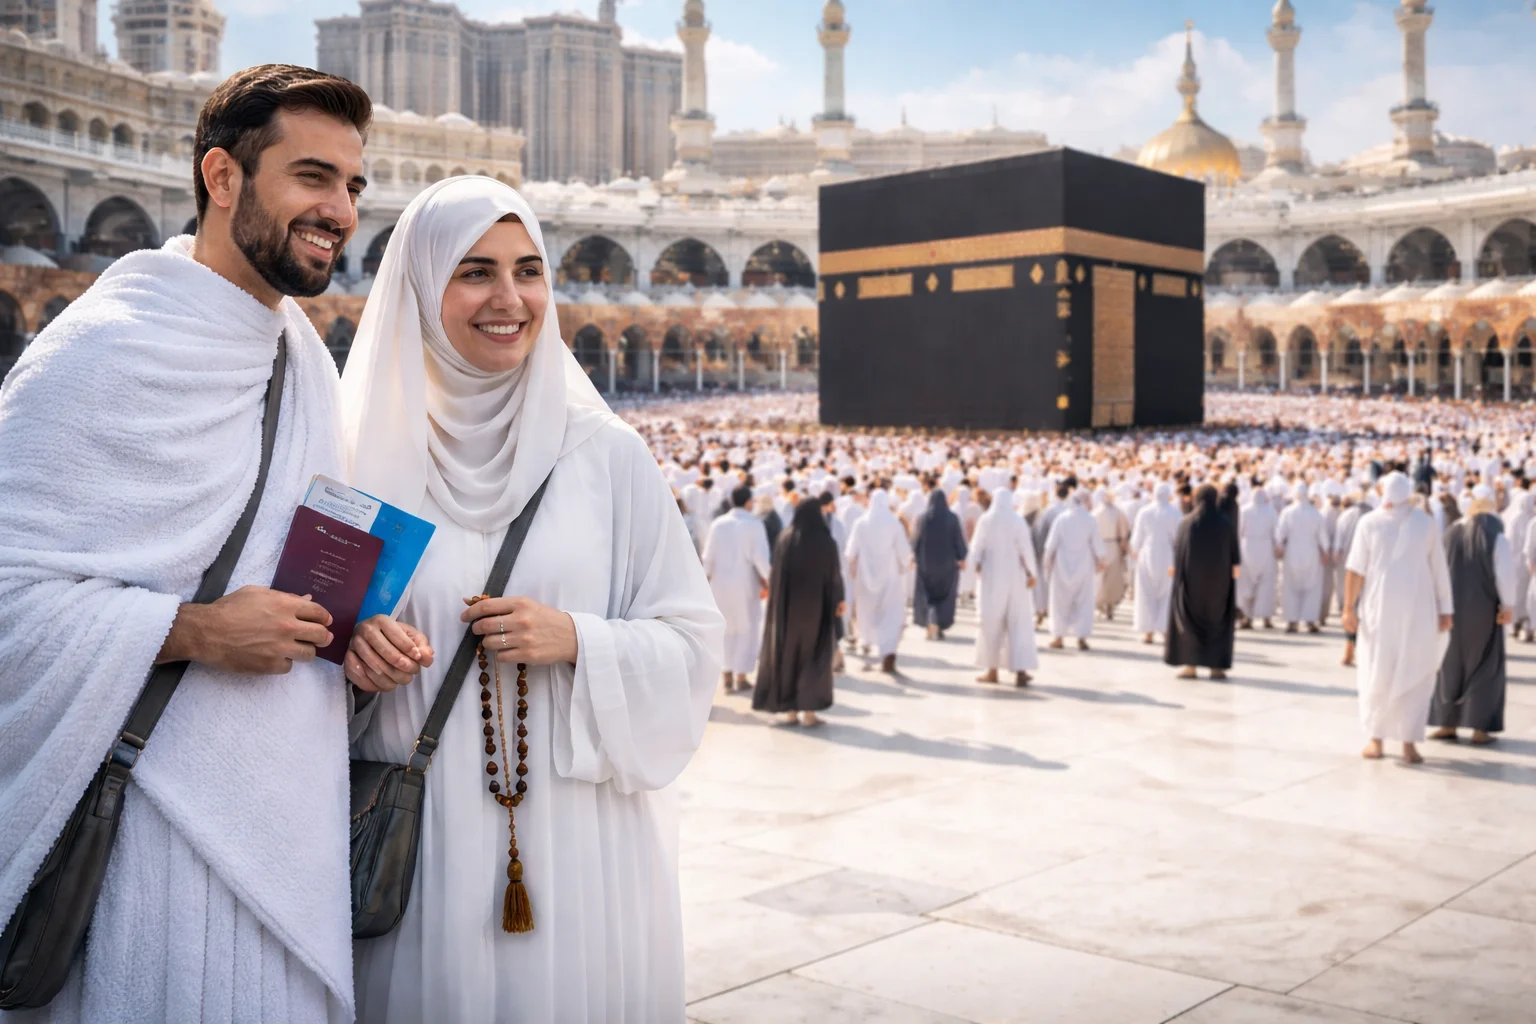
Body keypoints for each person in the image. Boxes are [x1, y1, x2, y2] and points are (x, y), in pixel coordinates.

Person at [0, 66, 373, 1023]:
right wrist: (196, 631)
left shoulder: (304, 362)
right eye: (312, 177)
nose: (340, 210)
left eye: (353, 187)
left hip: (287, 819)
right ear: (222, 176)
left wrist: (358, 637)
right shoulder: (103, 349)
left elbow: (286, 576)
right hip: (141, 828)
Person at [340, 176, 724, 1021]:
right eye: (474, 272)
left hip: (582, 841)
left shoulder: (606, 457)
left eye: (528, 270)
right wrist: (354, 670)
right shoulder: (356, 460)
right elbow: (295, 667)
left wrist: (581, 639)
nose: (509, 299)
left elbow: (696, 644)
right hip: (419, 839)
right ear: (421, 285)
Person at [1342, 472, 1453, 765]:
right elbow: (1440, 569)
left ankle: (1377, 741)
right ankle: (1407, 745)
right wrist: (1445, 609)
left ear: (1383, 492)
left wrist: (1347, 609)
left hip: (1381, 609)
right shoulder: (1422, 523)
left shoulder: (1377, 523)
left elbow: (1354, 571)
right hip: (1417, 609)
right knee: (1414, 672)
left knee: (1377, 670)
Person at [1430, 485, 1516, 744]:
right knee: (1485, 664)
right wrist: (1508, 605)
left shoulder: (1451, 531)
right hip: (1484, 610)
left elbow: (1438, 570)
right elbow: (1504, 573)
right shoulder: (1495, 534)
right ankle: (1480, 728)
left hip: (1451, 610)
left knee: (1450, 663)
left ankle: (1447, 724)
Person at [754, 500, 846, 726]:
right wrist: (838, 601)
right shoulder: (826, 542)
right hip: (817, 610)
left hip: (789, 611)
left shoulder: (785, 539)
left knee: (789, 657)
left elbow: (776, 577)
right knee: (814, 657)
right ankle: (810, 713)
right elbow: (834, 577)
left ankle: (791, 710)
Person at [1165, 484, 1241, 681]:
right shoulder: (1225, 523)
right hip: (1219, 584)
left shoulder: (1186, 523)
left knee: (1190, 620)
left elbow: (1178, 553)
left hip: (1192, 583)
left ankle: (1190, 666)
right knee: (1217, 621)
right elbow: (1235, 556)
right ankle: (1216, 667)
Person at [702, 484, 772, 692]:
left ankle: (726, 675)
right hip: (744, 584)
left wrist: (705, 583)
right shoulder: (754, 525)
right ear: (749, 502)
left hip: (720, 584)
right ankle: (741, 675)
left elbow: (708, 558)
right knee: (745, 629)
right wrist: (770, 580)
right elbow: (761, 559)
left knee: (725, 628)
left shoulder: (718, 524)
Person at [967, 487, 1039, 686]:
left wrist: (972, 570)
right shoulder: (1018, 521)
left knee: (991, 623)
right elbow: (1027, 549)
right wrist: (1032, 573)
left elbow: (976, 547)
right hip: (1015, 579)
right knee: (1018, 623)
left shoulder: (986, 520)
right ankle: (1020, 672)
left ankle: (991, 671)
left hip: (991, 578)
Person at [846, 490, 912, 673]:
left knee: (866, 612)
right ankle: (888, 650)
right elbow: (903, 551)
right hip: (890, 577)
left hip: (865, 577)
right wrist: (907, 562)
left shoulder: (861, 523)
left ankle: (866, 642)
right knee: (890, 612)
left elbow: (850, 551)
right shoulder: (893, 523)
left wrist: (850, 568)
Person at [1044, 489, 1106, 651]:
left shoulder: (1061, 519)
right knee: (1084, 602)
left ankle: (1058, 637)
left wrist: (1048, 562)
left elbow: (1051, 544)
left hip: (1062, 566)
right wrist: (1101, 562)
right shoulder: (1090, 520)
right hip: (1084, 566)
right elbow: (1097, 545)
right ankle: (1081, 638)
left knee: (1059, 602)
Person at [912, 484, 968, 640]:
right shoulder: (952, 518)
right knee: (944, 596)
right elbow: (958, 540)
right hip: (946, 565)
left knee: (927, 594)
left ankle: (929, 622)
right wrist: (962, 558)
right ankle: (938, 624)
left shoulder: (922, 518)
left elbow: (916, 540)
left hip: (926, 564)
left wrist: (914, 556)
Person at [1130, 482, 1181, 645]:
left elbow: (1137, 538)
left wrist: (1135, 553)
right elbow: (1178, 538)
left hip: (1147, 553)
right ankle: (1164, 630)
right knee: (1166, 593)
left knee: (1146, 593)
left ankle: (1148, 632)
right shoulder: (1174, 512)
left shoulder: (1145, 512)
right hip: (1167, 555)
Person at [1276, 482, 1328, 633]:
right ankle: (1310, 621)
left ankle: (1292, 621)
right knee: (1312, 587)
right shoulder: (1315, 513)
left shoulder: (1287, 512)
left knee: (1290, 587)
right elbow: (1322, 535)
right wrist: (1325, 551)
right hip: (1311, 553)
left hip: (1292, 552)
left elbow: (1280, 533)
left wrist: (1279, 547)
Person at [1332, 492, 1369, 667]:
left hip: (1347, 567)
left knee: (1349, 607)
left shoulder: (1345, 516)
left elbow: (1338, 545)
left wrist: (1336, 558)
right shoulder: (1372, 516)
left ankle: (1349, 649)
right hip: (1367, 569)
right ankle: (1356, 648)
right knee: (1363, 608)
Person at [1237, 486, 1278, 629]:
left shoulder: (1244, 510)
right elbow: (1276, 534)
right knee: (1266, 584)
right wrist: (1277, 548)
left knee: (1246, 584)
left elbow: (1239, 531)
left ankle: (1247, 617)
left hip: (1248, 548)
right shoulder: (1271, 511)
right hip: (1265, 548)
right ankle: (1266, 617)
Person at [1093, 487, 1131, 621]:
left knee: (1100, 578)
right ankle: (1109, 606)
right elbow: (1123, 532)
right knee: (1112, 579)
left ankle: (1100, 604)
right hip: (1113, 546)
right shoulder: (1118, 512)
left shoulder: (1095, 512)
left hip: (1099, 546)